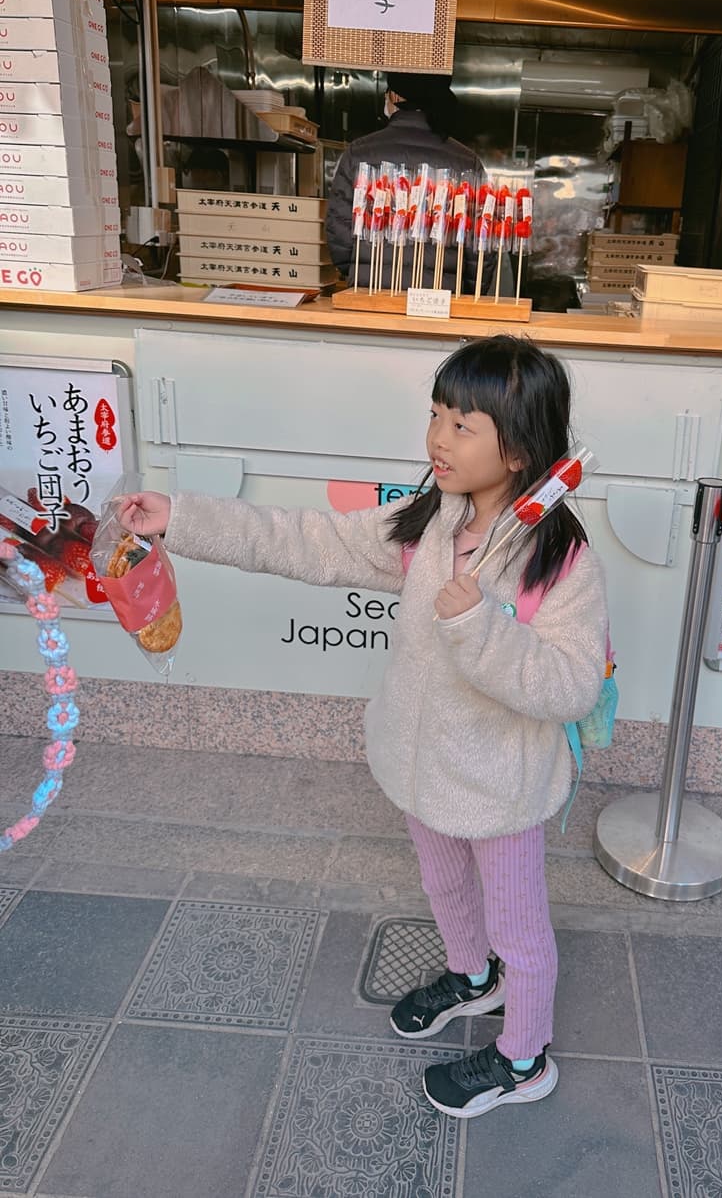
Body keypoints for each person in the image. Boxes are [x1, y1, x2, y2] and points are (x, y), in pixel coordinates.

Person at [116, 334, 607, 1119]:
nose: (437, 438)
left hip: (501, 785)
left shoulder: (562, 560)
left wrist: (481, 625)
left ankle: (525, 1056)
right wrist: (183, 517)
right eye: (436, 414)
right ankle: (470, 978)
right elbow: (309, 541)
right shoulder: (430, 525)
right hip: (420, 768)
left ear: (519, 449)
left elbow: (572, 684)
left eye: (462, 424)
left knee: (521, 926)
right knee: (444, 884)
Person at [325, 72, 496, 295]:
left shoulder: (359, 153)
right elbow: (482, 244)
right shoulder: (466, 162)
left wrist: (358, 270)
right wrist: (468, 291)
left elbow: (339, 231)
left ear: (394, 96)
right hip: (441, 299)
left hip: (370, 294)